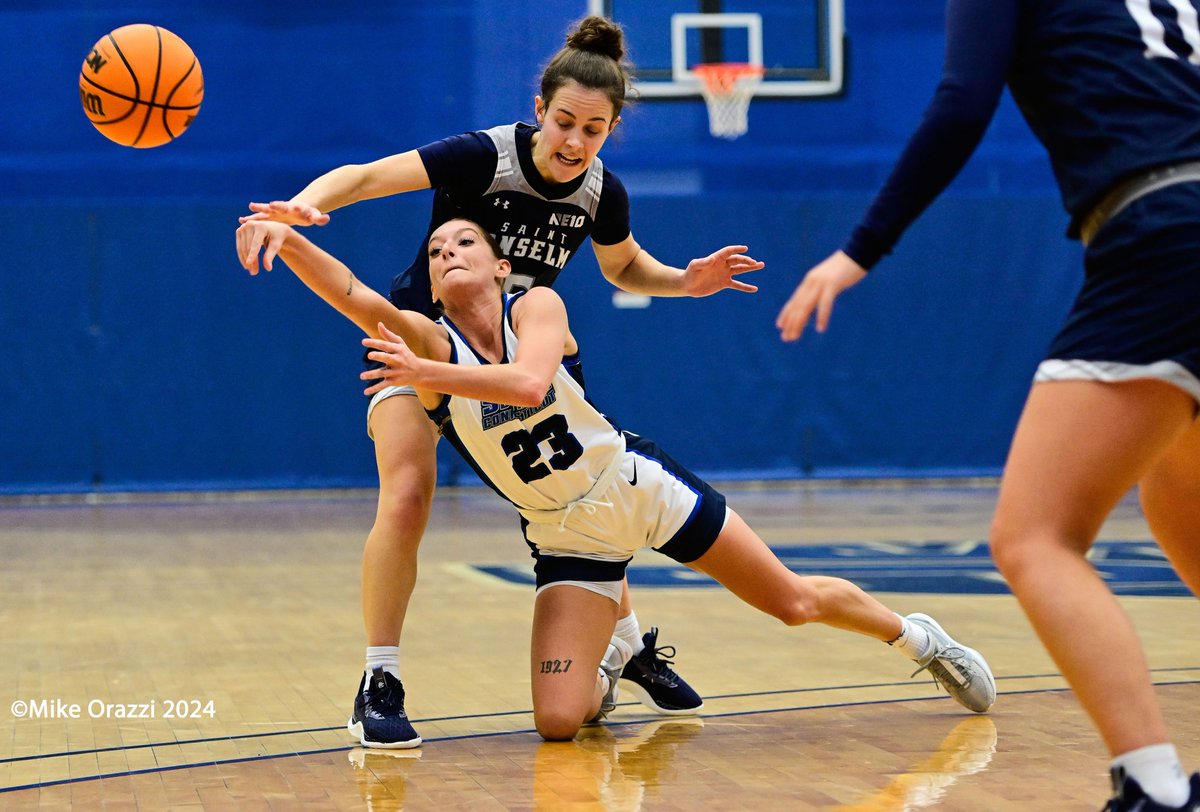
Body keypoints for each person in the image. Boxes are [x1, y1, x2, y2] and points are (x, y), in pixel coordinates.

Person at [235, 215, 997, 743]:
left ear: (502, 265)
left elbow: (531, 385)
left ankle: (919, 639)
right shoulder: (427, 342)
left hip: (635, 487)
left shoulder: (536, 305)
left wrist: (425, 372)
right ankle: (606, 662)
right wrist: (289, 240)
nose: (449, 253)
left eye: (465, 241)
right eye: (436, 252)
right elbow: (352, 294)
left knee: (792, 603)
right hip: (566, 537)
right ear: (430, 288)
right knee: (560, 723)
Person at [240, 15, 764, 749]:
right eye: (563, 123)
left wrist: (686, 281)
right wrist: (304, 204)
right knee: (407, 493)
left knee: (583, 487)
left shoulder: (599, 190)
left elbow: (622, 267)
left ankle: (629, 644)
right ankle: (379, 678)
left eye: (594, 129)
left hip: (520, 350)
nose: (574, 142)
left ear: (611, 130)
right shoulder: (484, 157)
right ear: (539, 109)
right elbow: (368, 176)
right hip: (423, 340)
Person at [775, 2, 1200, 809]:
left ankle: (1153, 788)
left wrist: (857, 250)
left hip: (1163, 231)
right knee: (1179, 496)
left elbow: (963, 100)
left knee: (1034, 538)